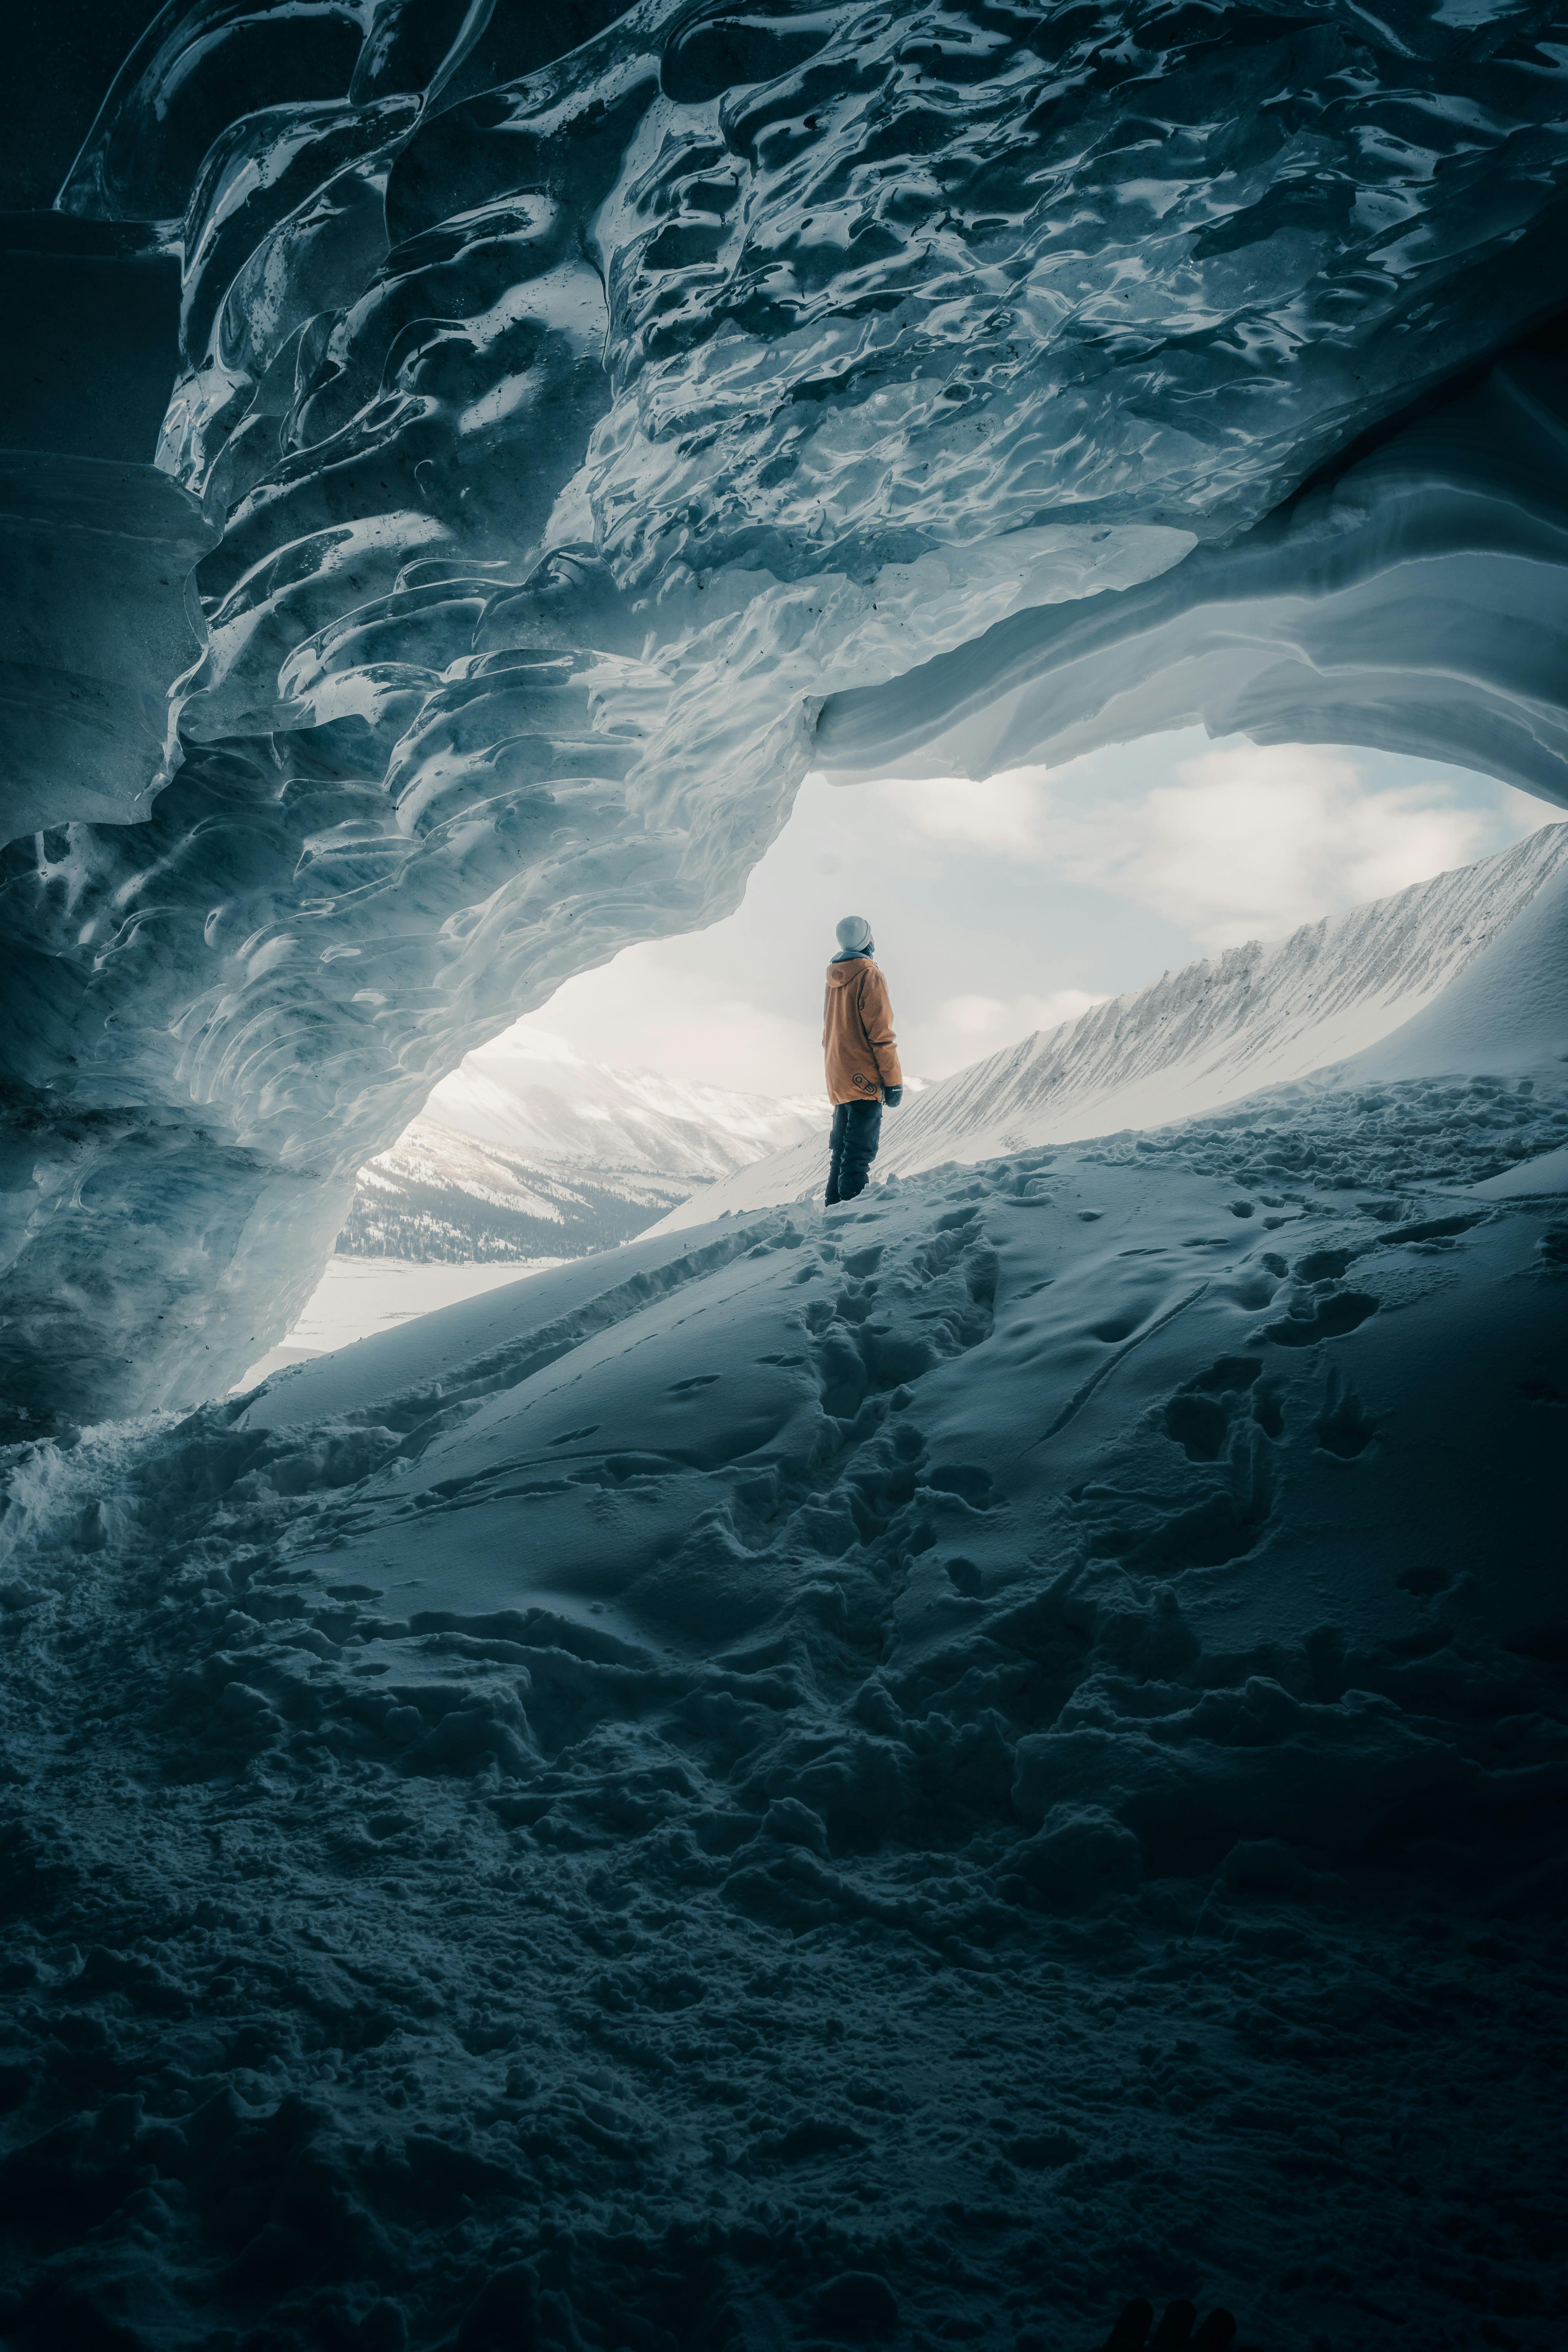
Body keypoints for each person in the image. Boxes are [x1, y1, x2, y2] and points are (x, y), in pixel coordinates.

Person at [822, 914, 903, 1205]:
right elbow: (881, 1035)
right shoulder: (870, 976)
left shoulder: (835, 976)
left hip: (839, 1076)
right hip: (865, 1079)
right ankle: (848, 1225)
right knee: (858, 1156)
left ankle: (832, 1216)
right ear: (869, 941)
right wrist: (893, 1082)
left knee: (841, 1153)